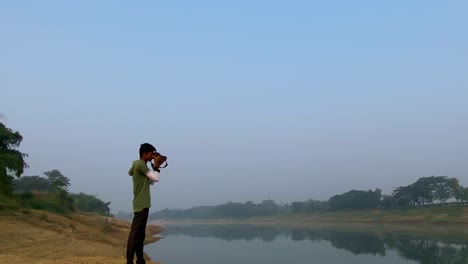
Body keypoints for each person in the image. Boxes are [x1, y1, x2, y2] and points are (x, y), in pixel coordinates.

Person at [126, 143, 165, 264]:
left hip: (143, 203)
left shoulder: (141, 166)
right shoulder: (140, 164)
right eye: (151, 154)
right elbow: (156, 178)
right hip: (141, 204)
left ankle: (140, 260)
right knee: (135, 234)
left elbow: (152, 181)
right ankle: (129, 261)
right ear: (144, 153)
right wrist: (157, 165)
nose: (153, 156)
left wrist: (155, 167)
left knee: (140, 235)